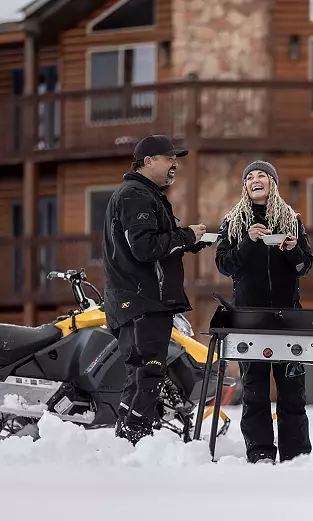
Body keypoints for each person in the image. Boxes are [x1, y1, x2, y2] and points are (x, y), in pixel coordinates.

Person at [102, 134, 209, 445]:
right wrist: (186, 235)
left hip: (133, 301)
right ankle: (136, 438)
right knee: (149, 372)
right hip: (143, 301)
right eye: (169, 158)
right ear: (148, 162)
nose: (175, 164)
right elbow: (145, 248)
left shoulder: (139, 193)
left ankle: (124, 440)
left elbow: (149, 245)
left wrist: (188, 240)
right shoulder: (136, 195)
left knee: (138, 373)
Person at [215, 160, 313, 464]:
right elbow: (224, 264)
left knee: (292, 391)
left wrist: (291, 249)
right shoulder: (233, 221)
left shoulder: (291, 220)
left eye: (263, 176)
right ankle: (259, 453)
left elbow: (304, 266)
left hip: (288, 318)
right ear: (245, 185)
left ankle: (296, 456)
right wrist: (249, 241)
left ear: (273, 183)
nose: (256, 180)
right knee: (255, 390)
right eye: (251, 177)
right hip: (249, 319)